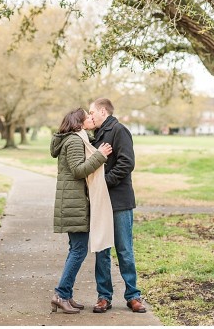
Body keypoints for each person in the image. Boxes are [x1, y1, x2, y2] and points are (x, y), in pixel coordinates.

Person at [50, 108, 113, 314]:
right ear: (79, 123)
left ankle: (65, 295)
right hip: (74, 203)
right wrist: (100, 156)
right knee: (78, 250)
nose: (90, 118)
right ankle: (60, 294)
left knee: (75, 249)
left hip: (72, 201)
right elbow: (78, 170)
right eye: (87, 117)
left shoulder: (74, 138)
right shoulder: (75, 141)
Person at [88, 97, 147, 313]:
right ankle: (104, 297)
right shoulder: (95, 136)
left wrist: (104, 183)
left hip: (120, 201)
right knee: (102, 250)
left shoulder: (119, 130)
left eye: (92, 112)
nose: (90, 116)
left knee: (124, 250)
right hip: (100, 203)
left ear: (103, 112)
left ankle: (133, 295)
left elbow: (127, 163)